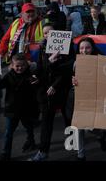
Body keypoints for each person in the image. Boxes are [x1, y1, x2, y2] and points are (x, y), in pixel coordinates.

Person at [29, 23, 76, 161]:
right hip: (47, 92)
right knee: (46, 122)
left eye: (50, 32)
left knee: (68, 118)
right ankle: (43, 151)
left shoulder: (67, 47)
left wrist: (55, 84)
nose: (48, 35)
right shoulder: (42, 48)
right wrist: (34, 76)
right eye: (45, 33)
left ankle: (73, 143)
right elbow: (42, 68)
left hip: (63, 89)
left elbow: (67, 70)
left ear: (57, 33)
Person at [70, 37, 106, 160]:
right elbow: (74, 78)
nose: (84, 50)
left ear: (92, 48)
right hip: (80, 98)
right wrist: (73, 82)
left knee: (89, 127)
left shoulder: (100, 61)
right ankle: (81, 155)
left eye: (87, 47)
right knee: (79, 126)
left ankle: (100, 134)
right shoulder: (76, 62)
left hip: (95, 98)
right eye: (81, 48)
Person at [0, 54, 39, 161]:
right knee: (8, 133)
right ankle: (5, 153)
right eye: (17, 66)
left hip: (26, 109)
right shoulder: (8, 76)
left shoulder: (30, 75)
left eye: (22, 66)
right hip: (12, 110)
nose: (19, 68)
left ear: (26, 65)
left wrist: (36, 83)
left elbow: (35, 89)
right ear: (12, 65)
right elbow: (1, 85)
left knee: (29, 128)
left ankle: (31, 141)